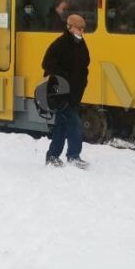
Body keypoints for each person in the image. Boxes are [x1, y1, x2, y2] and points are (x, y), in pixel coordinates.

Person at [42, 13, 90, 168]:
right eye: (78, 28)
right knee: (74, 123)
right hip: (60, 93)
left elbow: (85, 64)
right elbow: (47, 63)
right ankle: (73, 155)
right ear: (69, 27)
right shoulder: (60, 44)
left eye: (82, 29)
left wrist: (83, 81)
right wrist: (64, 77)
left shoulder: (81, 44)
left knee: (61, 126)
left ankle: (52, 155)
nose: (81, 32)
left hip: (74, 94)